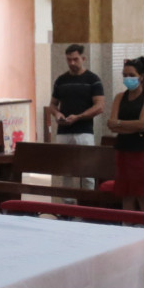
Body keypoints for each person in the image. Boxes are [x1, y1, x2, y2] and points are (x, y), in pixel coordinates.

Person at [106, 56, 144, 212]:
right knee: (126, 193)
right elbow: (112, 124)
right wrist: (135, 126)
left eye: (131, 75)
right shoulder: (119, 97)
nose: (127, 78)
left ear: (141, 77)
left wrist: (121, 124)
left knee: (143, 193)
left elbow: (143, 123)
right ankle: (128, 228)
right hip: (123, 149)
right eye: (125, 75)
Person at [48, 44, 103, 187]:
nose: (72, 63)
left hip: (84, 131)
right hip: (64, 131)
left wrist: (79, 117)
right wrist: (57, 113)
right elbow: (52, 104)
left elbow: (99, 106)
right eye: (69, 60)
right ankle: (68, 205)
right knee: (65, 171)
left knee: (87, 171)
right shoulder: (61, 80)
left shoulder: (92, 79)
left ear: (83, 58)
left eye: (75, 59)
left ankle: (87, 204)